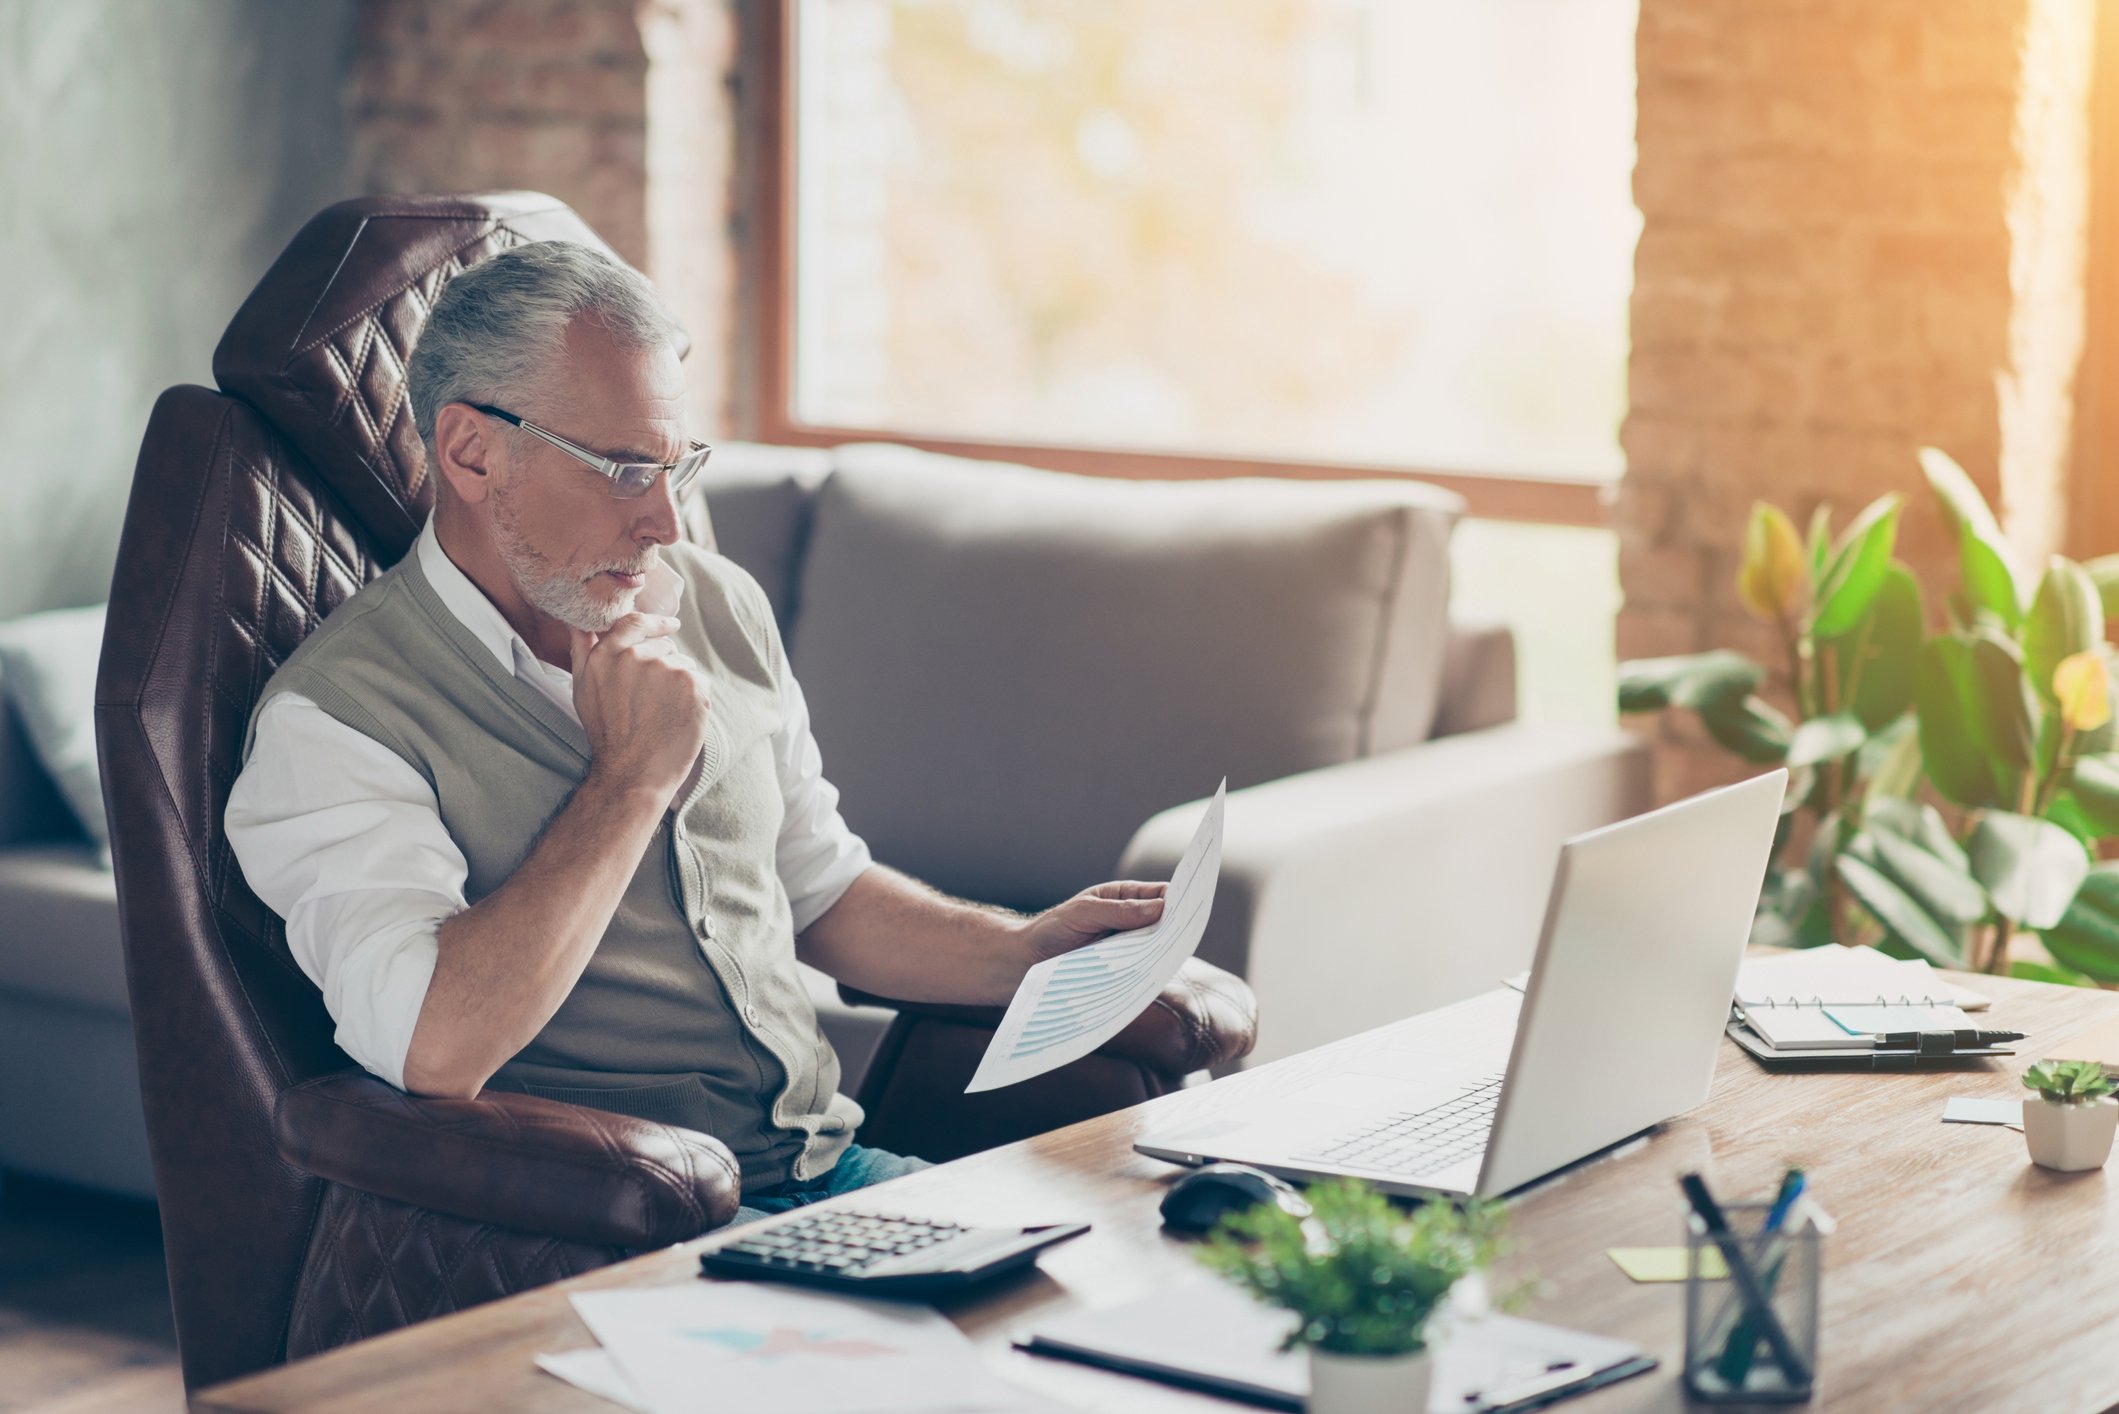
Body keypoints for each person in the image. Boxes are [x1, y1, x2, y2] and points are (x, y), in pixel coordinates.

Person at [225, 240, 1164, 1223]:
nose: (667, 523)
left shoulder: (717, 604)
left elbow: (818, 889)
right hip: (600, 1222)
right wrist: (629, 780)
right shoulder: (336, 718)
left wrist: (1022, 952)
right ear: (470, 450)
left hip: (823, 1177)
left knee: (1114, 1291)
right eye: (626, 469)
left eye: (676, 467)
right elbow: (435, 1045)